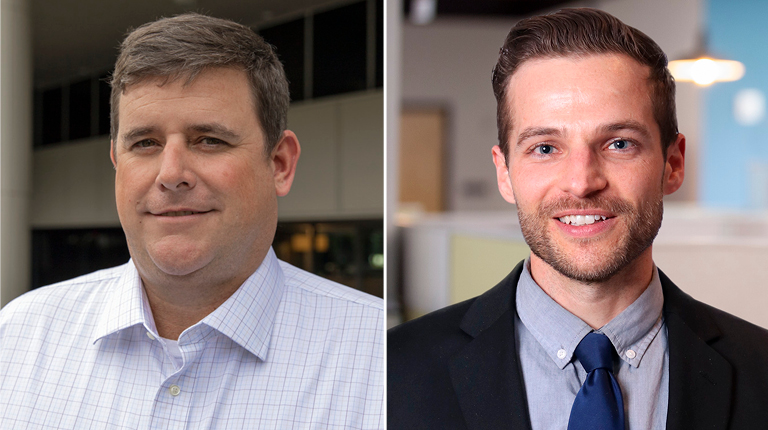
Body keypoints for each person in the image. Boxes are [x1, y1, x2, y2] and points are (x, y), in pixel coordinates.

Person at [388, 8, 768, 429]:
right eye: (546, 148)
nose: (582, 182)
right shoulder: (393, 371)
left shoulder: (760, 370)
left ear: (673, 164)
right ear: (505, 172)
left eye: (619, 143)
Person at [0, 13, 383, 429]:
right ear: (117, 163)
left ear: (279, 164)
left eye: (209, 140)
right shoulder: (19, 336)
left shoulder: (382, 358)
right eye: (145, 143)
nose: (170, 174)